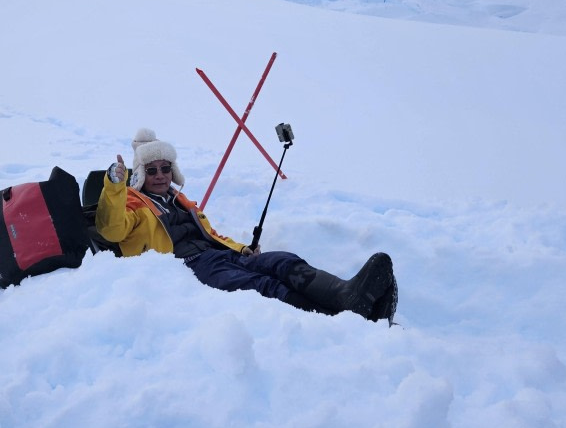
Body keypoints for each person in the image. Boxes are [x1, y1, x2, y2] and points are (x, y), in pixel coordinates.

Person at [95, 128, 396, 321]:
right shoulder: (132, 203)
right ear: (139, 173)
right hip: (189, 266)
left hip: (218, 255)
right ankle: (335, 321)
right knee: (261, 285)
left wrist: (242, 249)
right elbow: (112, 229)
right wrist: (114, 186)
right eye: (151, 170)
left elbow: (211, 235)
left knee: (282, 261)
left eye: (164, 168)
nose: (159, 175)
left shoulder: (182, 202)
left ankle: (345, 296)